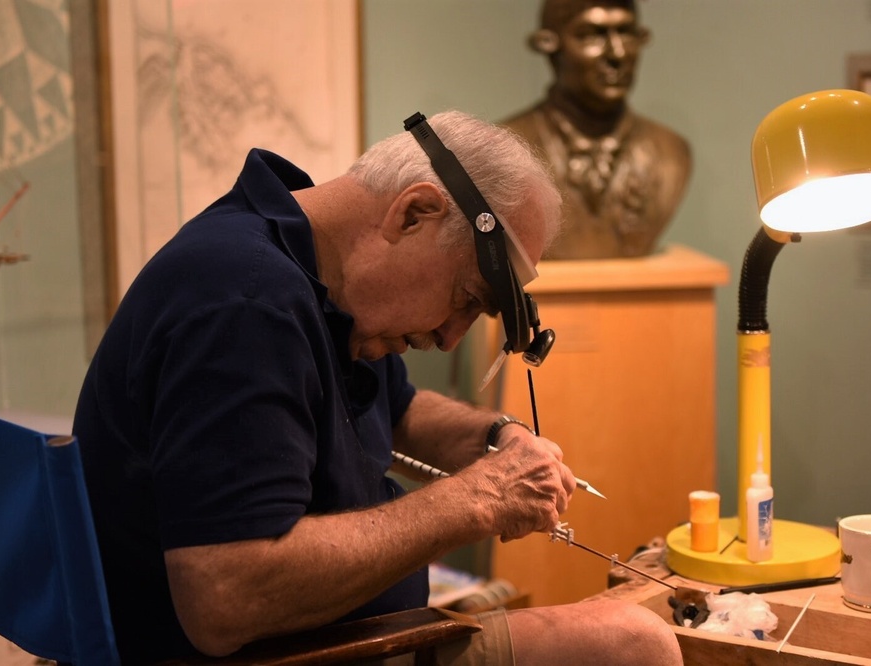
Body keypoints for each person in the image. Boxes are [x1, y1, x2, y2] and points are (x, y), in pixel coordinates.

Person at [73, 110, 682, 665]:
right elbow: (225, 598)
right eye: (466, 299)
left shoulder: (313, 270)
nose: (449, 338)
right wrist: (476, 501)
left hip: (345, 637)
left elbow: (400, 410)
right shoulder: (247, 303)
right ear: (413, 213)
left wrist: (496, 437)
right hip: (288, 655)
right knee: (635, 642)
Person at [502, 0, 692, 260]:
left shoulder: (671, 152)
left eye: (625, 32)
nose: (617, 54)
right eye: (592, 35)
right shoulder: (505, 152)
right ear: (549, 45)